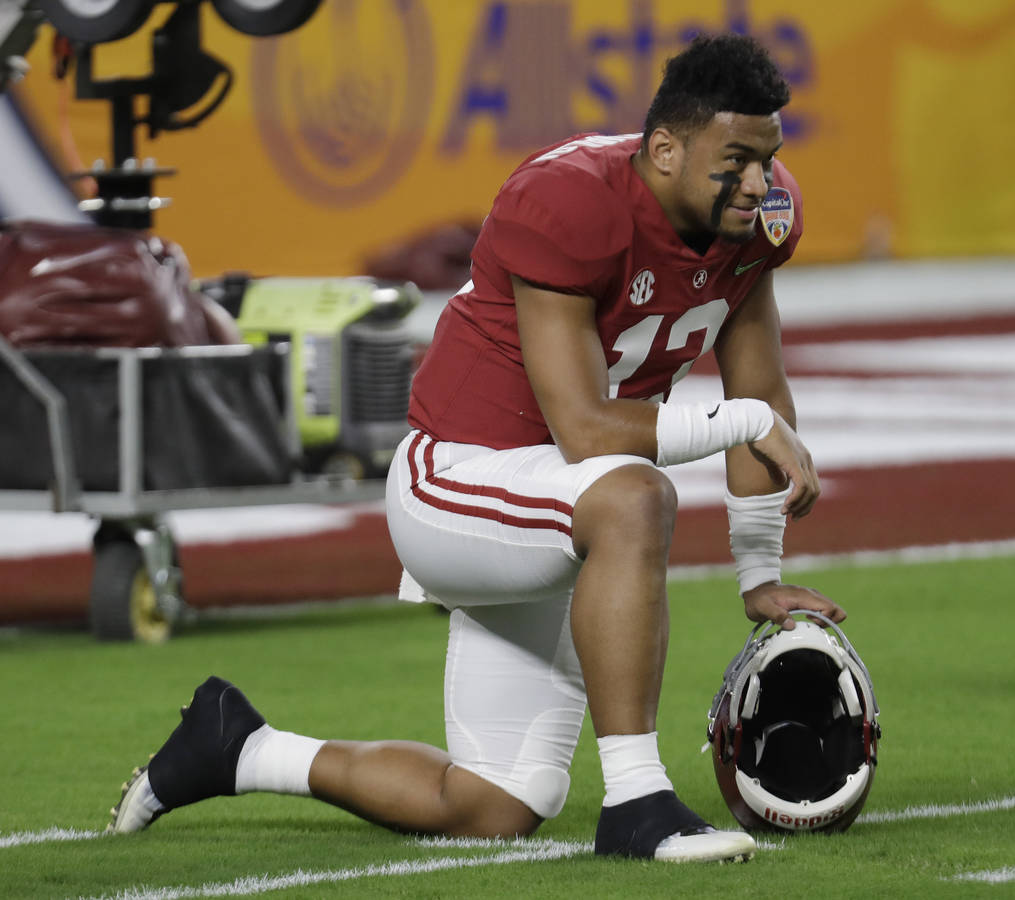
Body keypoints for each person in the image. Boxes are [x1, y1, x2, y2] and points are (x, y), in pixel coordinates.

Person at [108, 32, 845, 863]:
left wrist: (760, 574)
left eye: (769, 157)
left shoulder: (757, 219)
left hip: (557, 502)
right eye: (737, 160)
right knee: (636, 495)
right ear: (667, 150)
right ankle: (638, 803)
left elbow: (761, 393)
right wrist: (742, 422)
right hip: (458, 477)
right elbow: (590, 428)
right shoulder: (571, 200)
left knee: (498, 802)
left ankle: (238, 747)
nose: (759, 182)